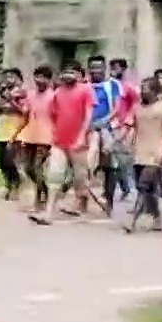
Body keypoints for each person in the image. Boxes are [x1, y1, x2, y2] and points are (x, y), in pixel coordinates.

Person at [31, 62, 94, 226]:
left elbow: (88, 115)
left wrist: (81, 135)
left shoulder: (85, 90)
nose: (69, 74)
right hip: (59, 142)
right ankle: (48, 213)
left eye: (72, 71)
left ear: (79, 75)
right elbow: (53, 115)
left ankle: (81, 203)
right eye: (66, 71)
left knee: (80, 177)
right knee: (54, 176)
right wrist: (54, 134)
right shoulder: (57, 93)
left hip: (78, 143)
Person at [124, 79, 162, 233]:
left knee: (143, 186)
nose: (142, 91)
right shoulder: (136, 108)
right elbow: (129, 126)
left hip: (157, 153)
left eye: (145, 89)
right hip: (139, 153)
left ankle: (131, 222)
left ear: (155, 91)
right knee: (149, 191)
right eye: (141, 88)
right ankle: (157, 218)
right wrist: (121, 142)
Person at [86, 55, 124, 213]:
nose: (96, 71)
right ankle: (83, 197)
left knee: (110, 166)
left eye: (99, 67)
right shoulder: (84, 85)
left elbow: (117, 108)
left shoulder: (112, 85)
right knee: (87, 161)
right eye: (92, 68)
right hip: (87, 129)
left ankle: (108, 199)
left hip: (107, 128)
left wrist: (104, 121)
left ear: (104, 68)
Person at [15, 64, 55, 211]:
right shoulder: (31, 94)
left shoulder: (53, 96)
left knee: (38, 168)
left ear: (49, 80)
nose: (39, 80)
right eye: (37, 77)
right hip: (30, 135)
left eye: (43, 77)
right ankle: (45, 189)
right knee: (28, 168)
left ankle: (39, 200)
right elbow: (25, 112)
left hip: (45, 138)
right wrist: (15, 102)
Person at [108, 58, 139, 199]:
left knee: (123, 159)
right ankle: (123, 187)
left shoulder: (129, 87)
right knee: (112, 159)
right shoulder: (109, 86)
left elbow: (136, 105)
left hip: (123, 126)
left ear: (124, 69)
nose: (114, 71)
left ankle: (128, 188)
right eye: (112, 68)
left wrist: (129, 122)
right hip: (110, 124)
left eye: (117, 68)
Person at [0, 67, 27, 201]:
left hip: (15, 129)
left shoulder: (23, 93)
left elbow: (23, 110)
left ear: (19, 79)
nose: (8, 79)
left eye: (12, 76)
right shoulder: (1, 92)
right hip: (2, 128)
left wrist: (10, 101)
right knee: (1, 160)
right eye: (6, 76)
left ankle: (17, 184)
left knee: (10, 159)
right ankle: (8, 185)